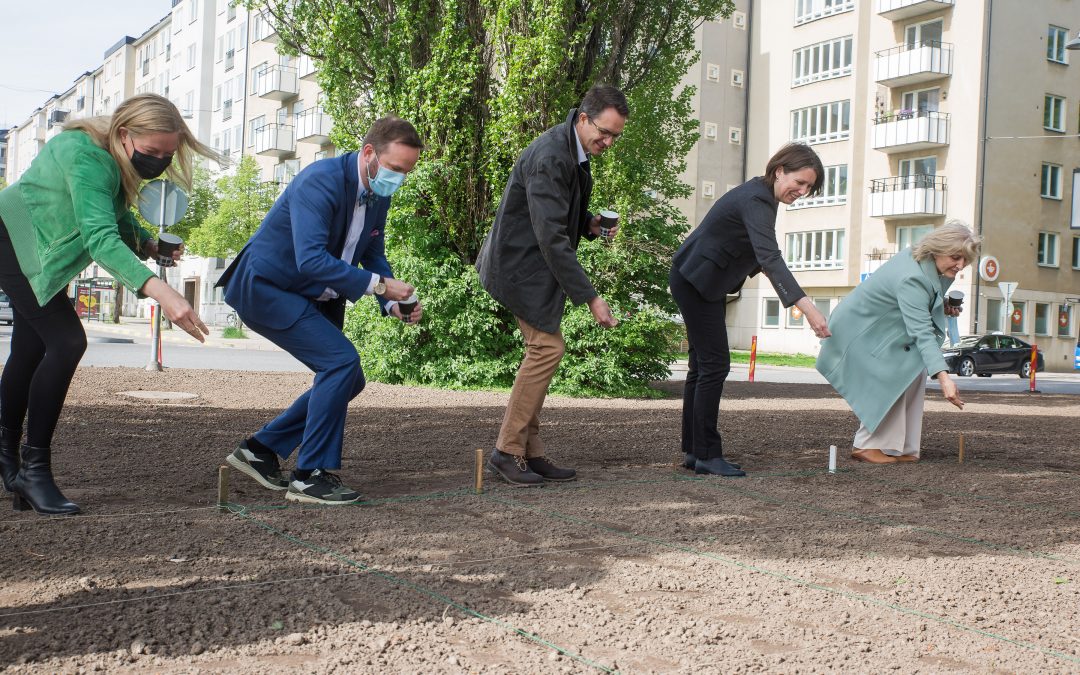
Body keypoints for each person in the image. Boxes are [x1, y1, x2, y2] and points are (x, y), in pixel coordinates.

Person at [0, 93, 215, 515]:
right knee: (66, 342)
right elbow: (99, 237)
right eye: (152, 152)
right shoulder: (87, 157)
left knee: (30, 348)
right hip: (13, 239)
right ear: (122, 134)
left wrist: (149, 244)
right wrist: (160, 290)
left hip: (36, 251)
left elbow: (114, 213)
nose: (160, 162)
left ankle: (7, 456)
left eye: (168, 154)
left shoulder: (110, 159)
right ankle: (33, 471)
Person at [218, 116, 423, 505]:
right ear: (368, 153)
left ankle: (260, 450)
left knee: (351, 378)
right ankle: (309, 477)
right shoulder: (320, 180)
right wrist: (379, 286)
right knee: (341, 363)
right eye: (396, 169)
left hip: (313, 294)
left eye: (406, 172)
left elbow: (372, 254)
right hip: (265, 287)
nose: (399, 178)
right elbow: (310, 259)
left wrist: (392, 301)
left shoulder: (378, 192)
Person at [476, 85, 625, 486]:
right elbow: (550, 237)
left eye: (615, 136)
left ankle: (531, 451)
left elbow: (559, 217)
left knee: (544, 349)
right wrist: (591, 298)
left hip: (534, 267)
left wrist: (590, 224)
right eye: (604, 132)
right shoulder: (550, 156)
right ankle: (506, 451)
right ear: (582, 118)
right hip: (518, 267)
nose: (608, 142)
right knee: (547, 347)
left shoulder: (574, 152)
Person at [670, 143, 832, 477]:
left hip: (700, 279)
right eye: (799, 183)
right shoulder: (757, 200)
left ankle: (695, 451)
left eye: (808, 188)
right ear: (779, 171)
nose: (801, 192)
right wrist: (809, 310)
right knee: (715, 365)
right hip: (696, 280)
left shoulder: (762, 197)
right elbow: (770, 258)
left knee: (702, 366)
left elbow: (760, 255)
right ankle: (706, 454)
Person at [816, 220, 978, 463]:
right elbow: (921, 331)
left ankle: (899, 447)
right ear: (937, 249)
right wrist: (944, 378)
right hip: (860, 332)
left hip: (882, 329)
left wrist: (941, 306)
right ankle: (866, 445)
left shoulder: (932, 266)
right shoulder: (912, 277)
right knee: (892, 374)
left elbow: (921, 302)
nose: (961, 265)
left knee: (913, 370)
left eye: (965, 259)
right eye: (956, 257)